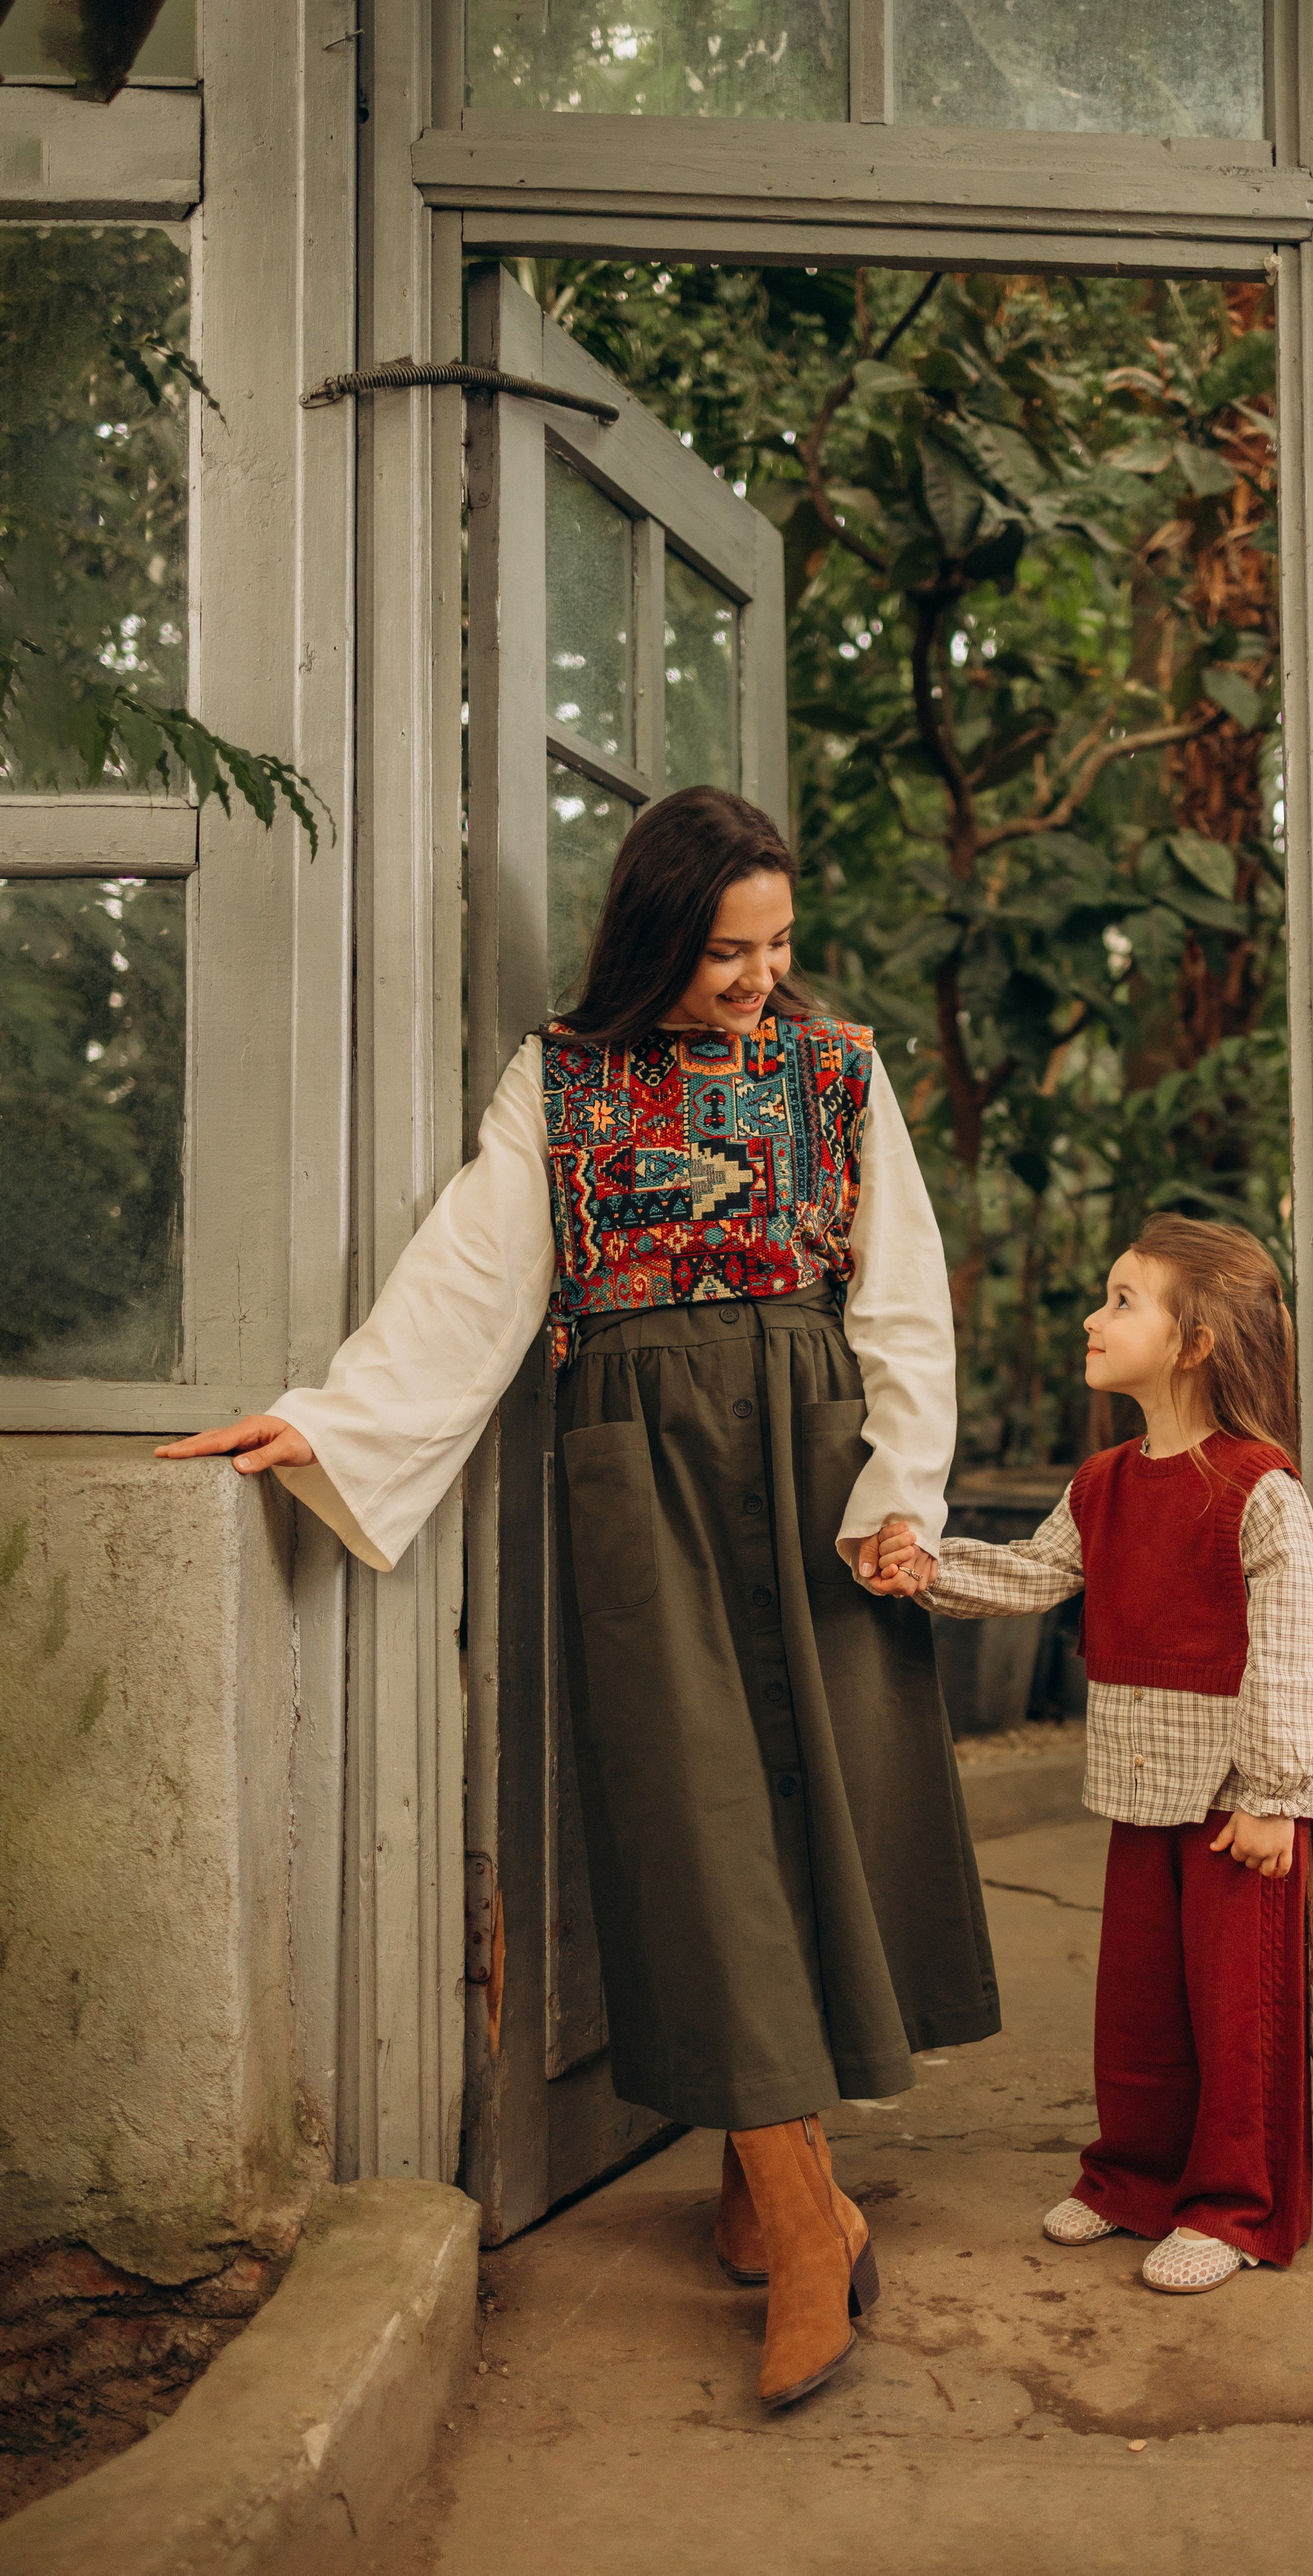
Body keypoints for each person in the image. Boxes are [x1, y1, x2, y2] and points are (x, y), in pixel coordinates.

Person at [158, 786, 998, 2409]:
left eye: (774, 947)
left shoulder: (837, 1069)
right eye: (721, 951)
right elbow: (474, 1274)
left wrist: (903, 1489)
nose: (755, 979)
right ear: (653, 935)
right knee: (694, 1819)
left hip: (815, 1446)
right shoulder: (564, 1075)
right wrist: (327, 1417)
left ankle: (774, 2194)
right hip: (636, 1454)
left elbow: (900, 1286)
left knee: (817, 1808)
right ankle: (804, 2209)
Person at [866, 1215, 1313, 2293]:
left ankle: (1233, 2206)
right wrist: (921, 1569)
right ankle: (1131, 2181)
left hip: (1238, 1804)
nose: (1095, 1314)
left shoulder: (1259, 1485)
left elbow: (1304, 1648)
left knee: (1236, 2017)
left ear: (1196, 1342)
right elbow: (1034, 1576)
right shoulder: (1105, 1482)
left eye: (1124, 1299)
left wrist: (1273, 1792)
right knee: (1136, 2004)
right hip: (1143, 1791)